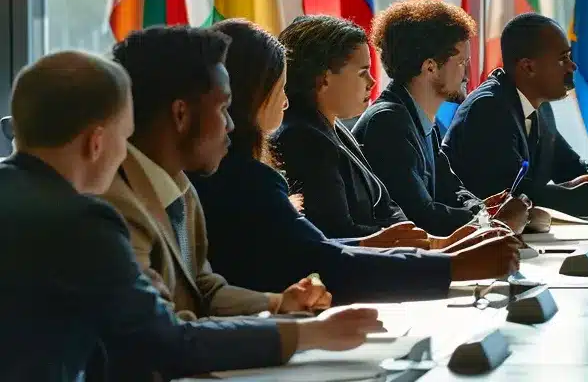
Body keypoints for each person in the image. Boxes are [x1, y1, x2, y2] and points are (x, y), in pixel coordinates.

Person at [0, 51, 381, 380]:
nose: (124, 157)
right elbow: (165, 342)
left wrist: (276, 306)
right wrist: (310, 335)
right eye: (124, 138)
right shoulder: (83, 222)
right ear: (96, 142)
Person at [195, 19, 518, 304]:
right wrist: (451, 263)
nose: (286, 99)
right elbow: (320, 255)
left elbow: (380, 215)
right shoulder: (272, 157)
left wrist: (433, 246)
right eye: (279, 88)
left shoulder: (336, 130)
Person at [100, 26, 328, 320]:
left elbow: (204, 290)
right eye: (222, 108)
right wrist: (298, 334)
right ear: (181, 114)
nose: (230, 125)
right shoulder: (116, 206)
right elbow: (160, 334)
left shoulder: (180, 186)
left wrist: (277, 304)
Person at [273, 15, 469, 247]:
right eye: (362, 72)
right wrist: (420, 243)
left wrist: (418, 239)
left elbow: (388, 207)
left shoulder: (333, 128)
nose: (373, 81)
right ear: (324, 78)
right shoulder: (305, 139)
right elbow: (336, 232)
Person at [445, 13, 588, 217]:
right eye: (563, 58)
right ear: (528, 67)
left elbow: (570, 168)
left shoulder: (540, 106)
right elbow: (513, 196)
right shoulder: (488, 109)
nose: (572, 66)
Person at [355, 0, 530, 236]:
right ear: (430, 67)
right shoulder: (388, 123)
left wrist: (485, 210)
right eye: (461, 63)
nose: (468, 74)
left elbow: (452, 190)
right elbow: (420, 216)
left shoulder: (422, 119)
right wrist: (491, 221)